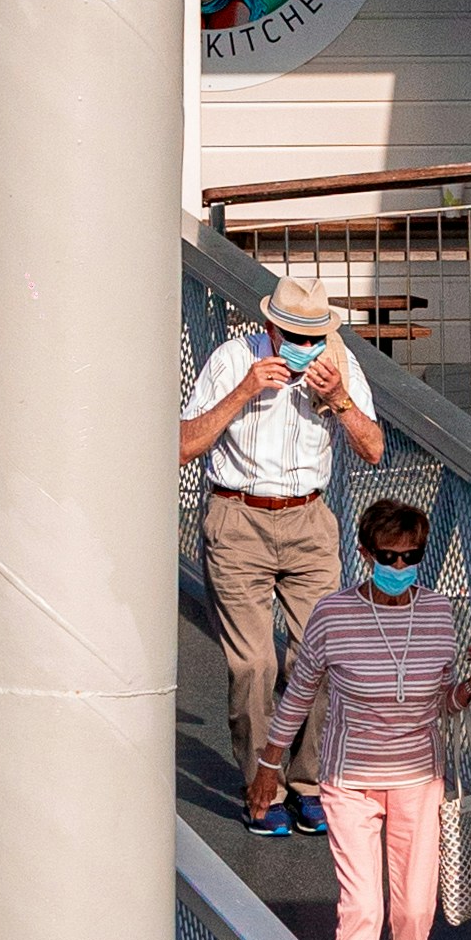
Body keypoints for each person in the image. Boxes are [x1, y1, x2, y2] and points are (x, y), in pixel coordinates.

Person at [250, 495, 471, 940]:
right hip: (350, 779)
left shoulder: (439, 612)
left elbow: (443, 705)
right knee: (362, 908)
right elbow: (299, 693)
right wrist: (269, 765)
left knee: (415, 910)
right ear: (364, 552)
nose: (401, 567)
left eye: (413, 556)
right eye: (390, 555)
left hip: (418, 778)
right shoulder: (332, 614)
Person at [182, 273, 380, 817]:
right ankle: (260, 785)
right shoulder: (230, 359)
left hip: (309, 520)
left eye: (315, 335)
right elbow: (181, 446)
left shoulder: (337, 363)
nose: (305, 347)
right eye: (294, 335)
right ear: (270, 326)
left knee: (317, 657)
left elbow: (373, 448)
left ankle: (308, 782)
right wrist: (246, 391)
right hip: (238, 517)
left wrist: (338, 399)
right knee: (254, 666)